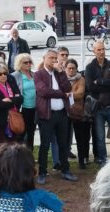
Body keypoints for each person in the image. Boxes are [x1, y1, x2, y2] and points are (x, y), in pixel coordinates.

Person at [35, 50, 77, 183]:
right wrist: (62, 94)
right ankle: (42, 172)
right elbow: (44, 91)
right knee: (45, 144)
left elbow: (67, 88)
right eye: (51, 58)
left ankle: (65, 170)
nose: (53, 60)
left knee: (63, 144)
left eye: (55, 58)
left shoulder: (59, 73)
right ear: (44, 58)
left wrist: (62, 73)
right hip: (47, 115)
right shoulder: (39, 74)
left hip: (62, 114)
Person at [85, 41, 110, 165]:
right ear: (94, 51)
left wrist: (99, 81)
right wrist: (107, 81)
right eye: (99, 50)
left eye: (103, 49)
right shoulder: (90, 67)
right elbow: (91, 87)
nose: (101, 52)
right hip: (98, 108)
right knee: (100, 137)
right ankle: (103, 160)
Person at [67, 59, 91, 169]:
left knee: (80, 138)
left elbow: (80, 94)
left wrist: (66, 94)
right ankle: (63, 162)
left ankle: (81, 161)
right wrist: (73, 93)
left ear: (76, 69)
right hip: (65, 112)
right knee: (65, 138)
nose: (71, 70)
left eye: (73, 68)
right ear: (66, 68)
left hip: (78, 112)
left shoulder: (81, 79)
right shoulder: (62, 78)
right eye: (69, 68)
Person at [12, 53, 38, 151]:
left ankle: (29, 154)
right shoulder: (15, 76)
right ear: (19, 64)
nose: (28, 64)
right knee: (21, 133)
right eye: (25, 62)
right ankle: (19, 154)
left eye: (30, 62)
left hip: (34, 108)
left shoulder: (34, 74)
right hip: (23, 108)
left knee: (31, 132)